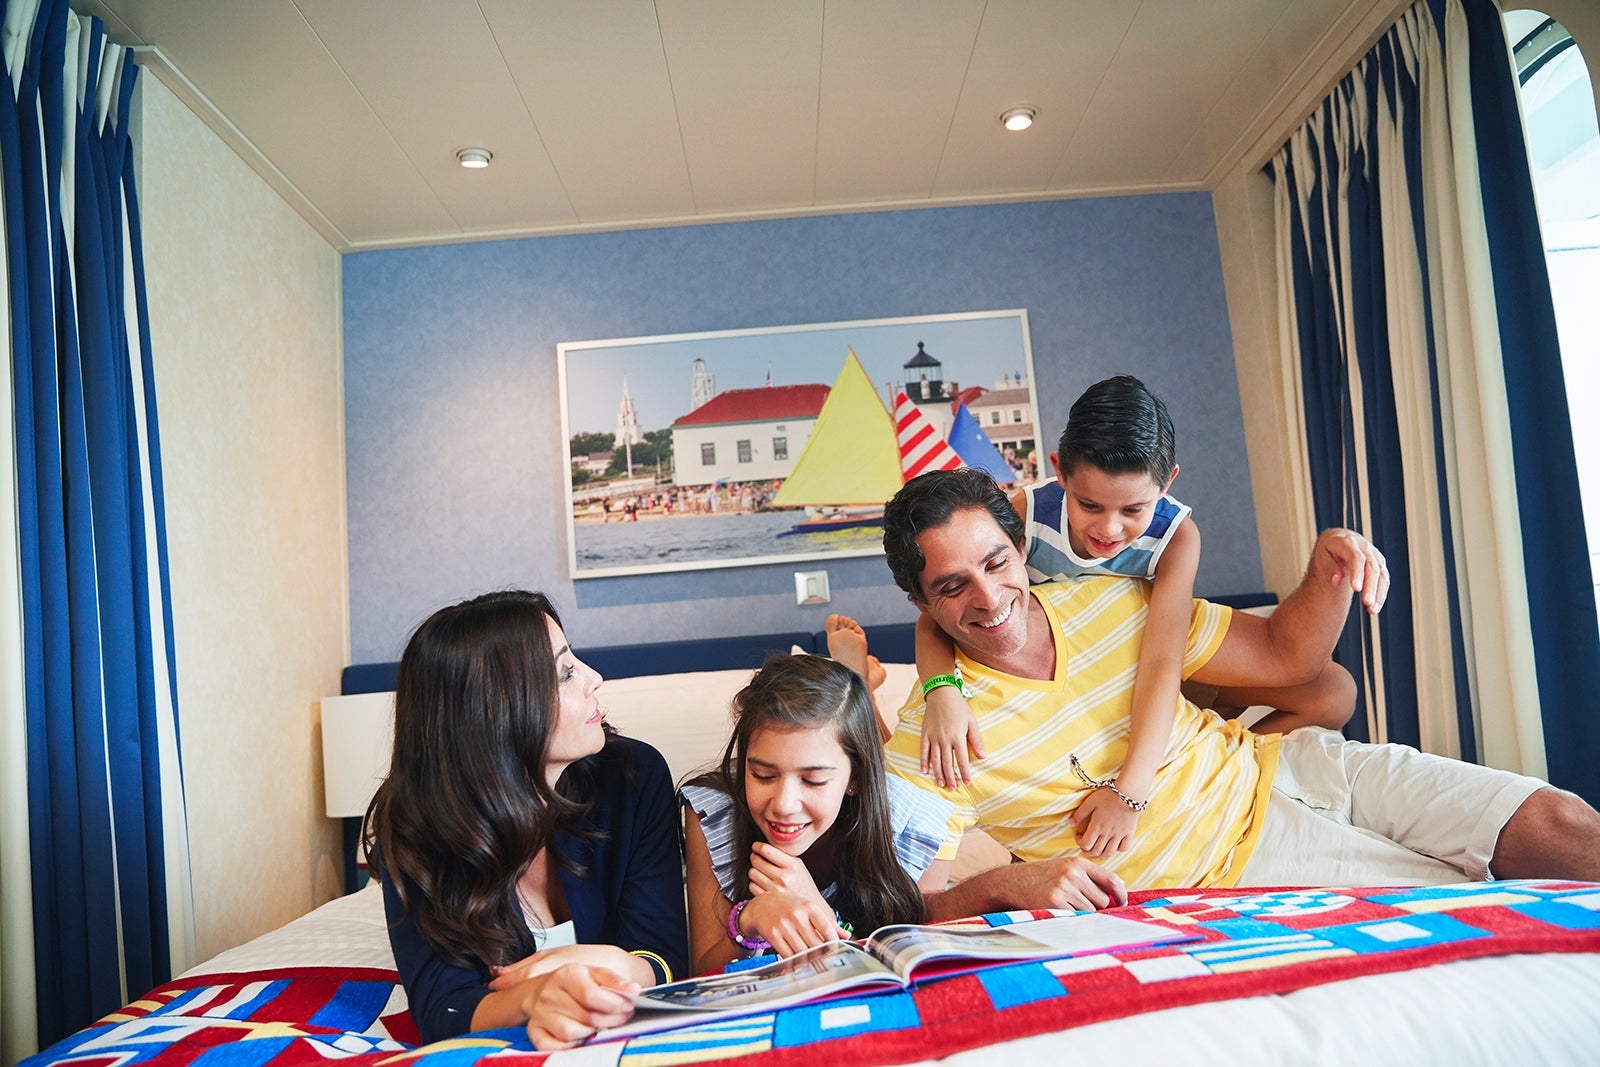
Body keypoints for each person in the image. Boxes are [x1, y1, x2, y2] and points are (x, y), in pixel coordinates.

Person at [878, 468, 1600, 917]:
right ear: (920, 600)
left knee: (1557, 823)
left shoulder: (1108, 599)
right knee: (1481, 908)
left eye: (996, 562)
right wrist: (1011, 883)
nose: (989, 596)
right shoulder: (926, 740)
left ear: (1019, 549)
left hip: (1291, 764)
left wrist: (1329, 564)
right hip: (1232, 863)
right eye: (951, 585)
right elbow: (911, 906)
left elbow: (1287, 652)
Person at [915, 376, 1355, 868]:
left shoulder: (1177, 537)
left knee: (1334, 692)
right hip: (1083, 681)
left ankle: (1195, 758)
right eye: (1089, 506)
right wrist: (942, 691)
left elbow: (1164, 658)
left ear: (1167, 482)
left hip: (1158, 659)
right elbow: (937, 617)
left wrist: (1131, 789)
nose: (1108, 528)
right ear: (1059, 472)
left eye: (1133, 509)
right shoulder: (1025, 515)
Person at [365, 591, 687, 1050]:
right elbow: (444, 1006)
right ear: (496, 712)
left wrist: (592, 960)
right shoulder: (419, 827)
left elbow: (665, 959)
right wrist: (533, 998)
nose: (595, 678)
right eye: (566, 672)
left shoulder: (633, 777)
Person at [681, 653, 952, 976]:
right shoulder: (712, 812)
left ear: (855, 778)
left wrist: (818, 911)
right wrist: (748, 920)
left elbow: (919, 973)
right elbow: (702, 975)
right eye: (763, 775)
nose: (784, 804)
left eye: (813, 780)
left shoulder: (913, 821)